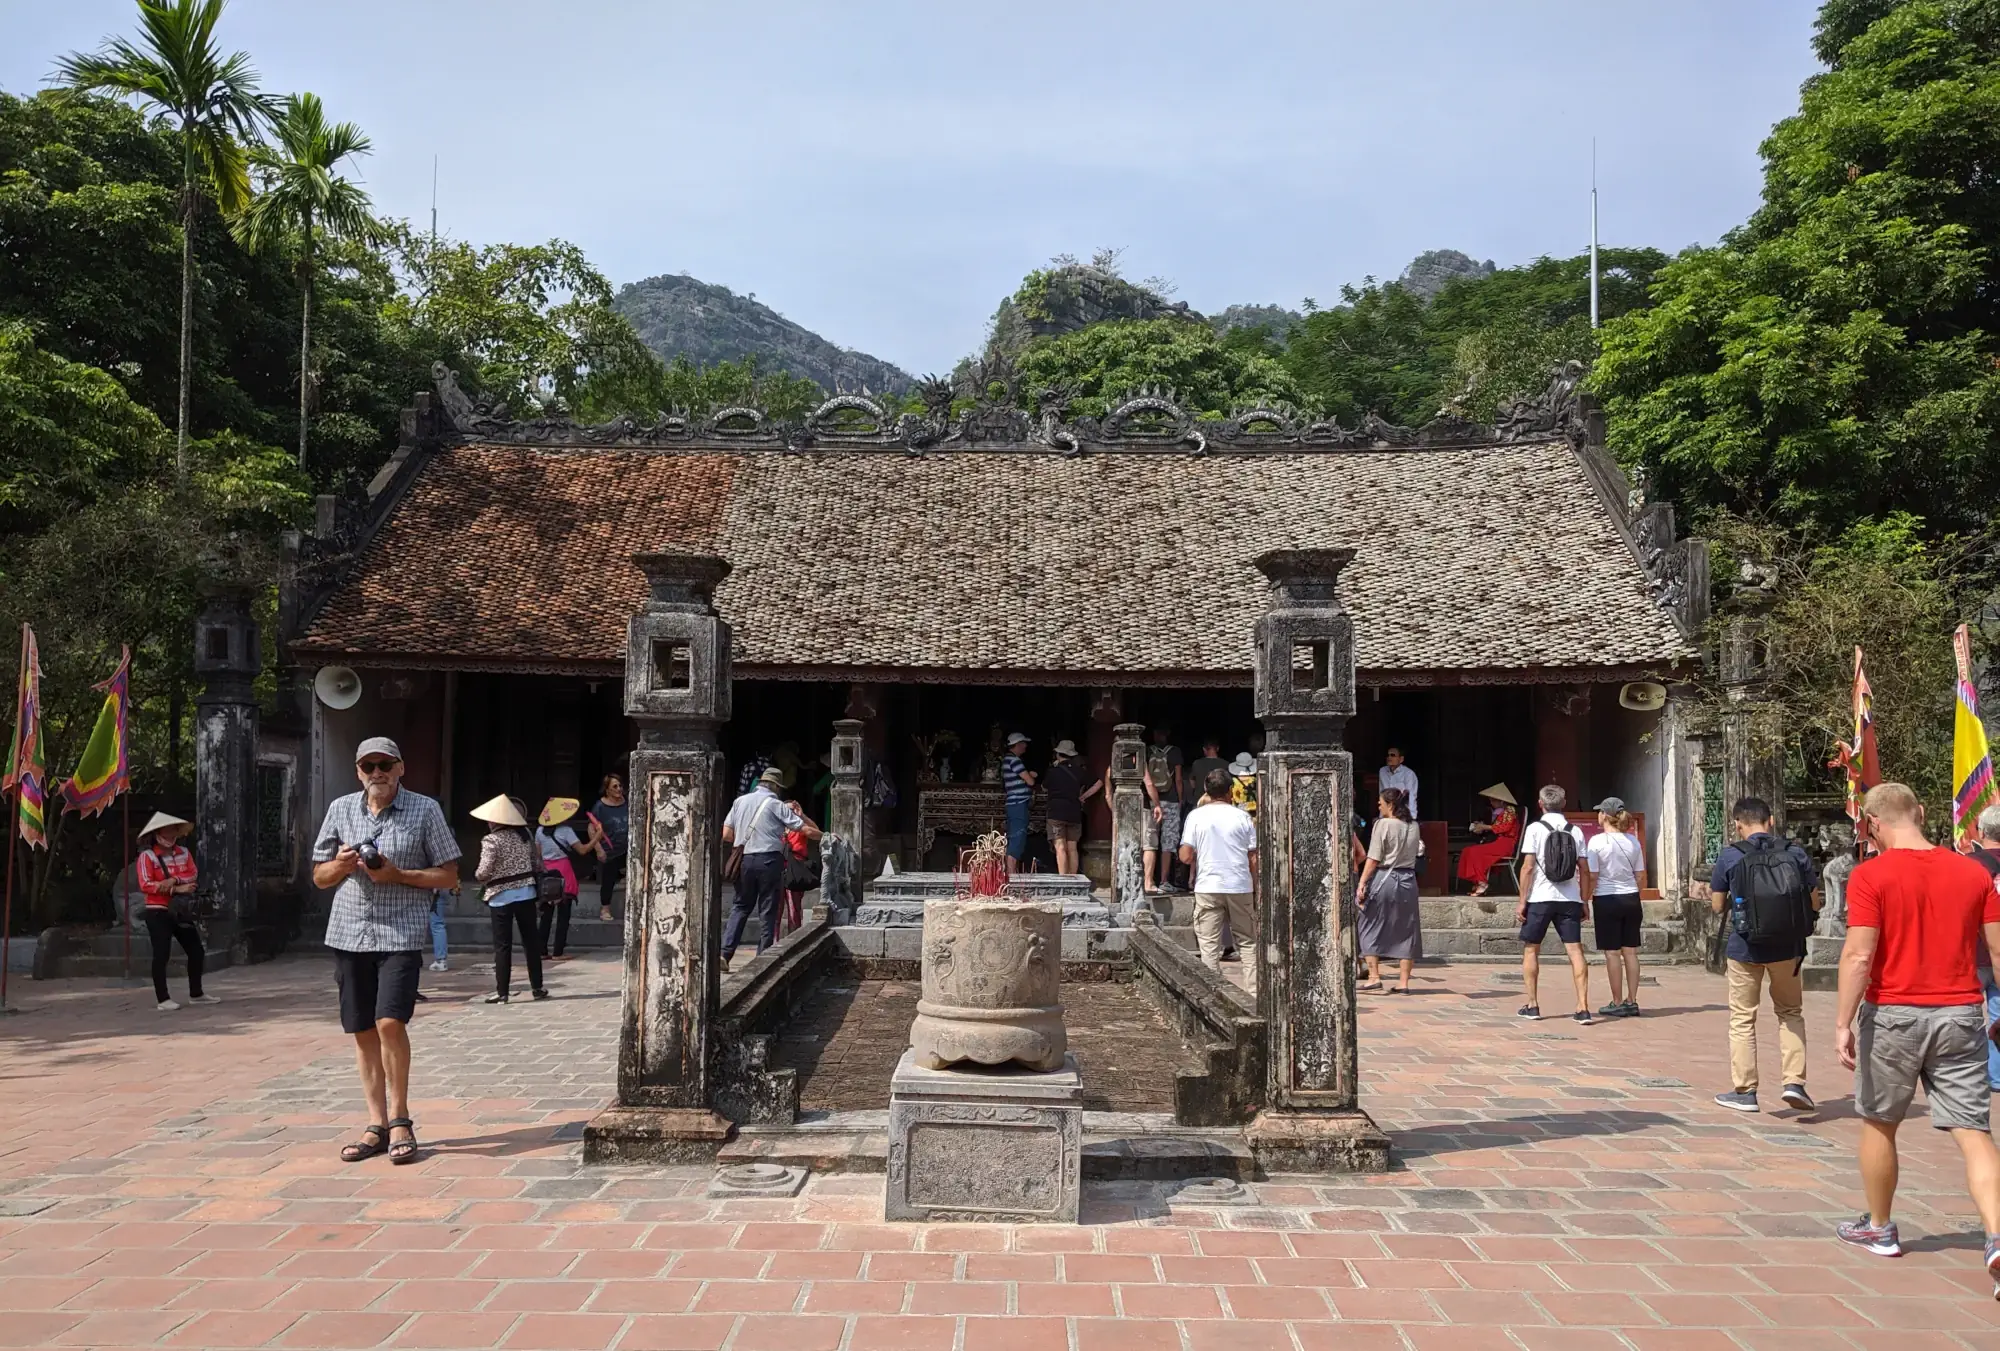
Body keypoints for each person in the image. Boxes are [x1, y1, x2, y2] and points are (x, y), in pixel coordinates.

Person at [1832, 782, 2000, 1292]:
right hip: (1960, 1012)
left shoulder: (1871, 875)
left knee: (1880, 1122)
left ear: (1873, 824)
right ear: (1922, 814)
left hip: (1894, 1014)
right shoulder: (1973, 872)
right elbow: (1996, 948)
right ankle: (1996, 1234)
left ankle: (1880, 1228)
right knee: (1974, 1131)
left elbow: (1859, 955)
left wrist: (1843, 1021)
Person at [311, 737, 460, 1167]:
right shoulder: (341, 809)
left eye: (384, 764)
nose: (377, 772)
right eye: (368, 765)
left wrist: (398, 874)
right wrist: (340, 865)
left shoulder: (425, 810)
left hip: (401, 932)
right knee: (361, 1030)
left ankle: (401, 1119)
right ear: (358, 771)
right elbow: (319, 877)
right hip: (348, 931)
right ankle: (375, 1124)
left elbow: (449, 875)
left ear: (400, 768)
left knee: (390, 1021)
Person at [1709, 797, 1820, 1113]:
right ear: (1770, 821)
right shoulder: (1794, 852)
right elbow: (1814, 902)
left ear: (1737, 824)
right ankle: (1794, 1083)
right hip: (1788, 947)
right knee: (1790, 1012)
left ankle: (1745, 1091)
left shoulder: (1731, 855)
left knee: (1743, 1017)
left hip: (1746, 947)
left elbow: (1717, 905)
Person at [721, 766, 820, 967]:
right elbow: (805, 830)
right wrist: (826, 836)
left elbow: (726, 835)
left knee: (740, 906)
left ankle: (725, 953)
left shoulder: (739, 802)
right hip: (769, 861)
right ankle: (762, 959)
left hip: (745, 861)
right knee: (768, 910)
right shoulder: (776, 805)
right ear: (775, 786)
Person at [1516, 784, 1592, 1024]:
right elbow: (1585, 869)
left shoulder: (1535, 829)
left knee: (1531, 948)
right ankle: (1582, 1007)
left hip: (1540, 897)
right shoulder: (1575, 831)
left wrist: (1522, 900)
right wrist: (1585, 900)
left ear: (1541, 804)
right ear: (1564, 803)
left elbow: (1528, 867)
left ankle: (1533, 1004)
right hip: (1569, 898)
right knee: (1575, 950)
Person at [1178, 767, 1257, 987]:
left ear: (1205, 789)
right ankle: (1253, 993)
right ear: (1231, 791)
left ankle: (1214, 992)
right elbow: (1253, 858)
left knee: (1209, 944)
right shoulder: (1243, 817)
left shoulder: (1196, 816)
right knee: (1248, 943)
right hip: (1239, 884)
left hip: (1208, 885)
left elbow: (1185, 856)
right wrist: (1256, 886)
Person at [134, 812, 217, 1012]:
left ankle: (196, 993)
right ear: (157, 833)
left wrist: (174, 881)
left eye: (174, 830)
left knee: (196, 950)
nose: (171, 834)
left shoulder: (184, 853)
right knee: (161, 954)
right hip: (157, 910)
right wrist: (175, 888)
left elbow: (192, 874)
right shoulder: (147, 857)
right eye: (167, 830)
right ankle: (163, 999)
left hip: (181, 909)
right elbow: (146, 884)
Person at [471, 794, 547, 1005]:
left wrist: (478, 875)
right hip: (526, 893)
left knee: (503, 946)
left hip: (500, 896)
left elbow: (483, 871)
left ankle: (502, 992)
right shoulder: (525, 836)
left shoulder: (491, 840)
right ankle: (537, 987)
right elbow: (535, 863)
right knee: (531, 942)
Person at [1356, 787, 1424, 993]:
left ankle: (1374, 975)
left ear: (1391, 805)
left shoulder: (1382, 824)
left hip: (1384, 878)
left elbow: (1374, 857)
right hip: (1408, 879)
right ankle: (1403, 982)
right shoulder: (1413, 826)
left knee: (1367, 922)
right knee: (1407, 927)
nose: (1378, 806)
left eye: (1381, 802)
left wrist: (1362, 882)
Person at [1588, 797, 1646, 1018]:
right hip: (1631, 897)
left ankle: (1617, 1000)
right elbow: (1640, 874)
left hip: (1607, 898)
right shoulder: (1633, 841)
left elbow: (1593, 875)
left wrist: (1586, 895)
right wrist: (1634, 893)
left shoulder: (1596, 842)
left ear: (1604, 815)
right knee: (1630, 951)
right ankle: (1632, 1000)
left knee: (1612, 953)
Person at [1959, 803, 2000, 1090]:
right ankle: (1996, 1076)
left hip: (1970, 953)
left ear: (1980, 832)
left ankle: (1967, 1075)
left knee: (1965, 1018)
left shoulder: (1967, 866)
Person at [535, 799, 600, 961]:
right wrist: (597, 837)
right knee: (563, 915)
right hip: (564, 874)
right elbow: (583, 850)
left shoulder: (539, 831)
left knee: (546, 915)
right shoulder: (566, 831)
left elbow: (538, 855)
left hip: (547, 873)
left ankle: (541, 950)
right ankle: (558, 952)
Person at [1042, 739, 1100, 877]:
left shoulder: (1052, 771)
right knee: (1072, 848)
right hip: (1074, 812)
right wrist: (1084, 796)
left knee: (1060, 847)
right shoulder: (1079, 771)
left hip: (1056, 812)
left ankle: (1063, 880)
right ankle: (1073, 880)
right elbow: (1098, 783)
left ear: (1058, 754)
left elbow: (1044, 786)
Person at [1457, 784, 1520, 895]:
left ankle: (1482, 882)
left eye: (1494, 800)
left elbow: (1505, 827)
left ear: (1501, 801)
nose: (1491, 803)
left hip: (1505, 843)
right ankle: (1477, 880)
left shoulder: (1510, 811)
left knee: (1474, 852)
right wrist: (1482, 826)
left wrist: (1485, 827)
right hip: (1498, 841)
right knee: (1467, 850)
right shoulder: (1499, 812)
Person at [1143, 726, 1184, 893]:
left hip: (1152, 801)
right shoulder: (1175, 752)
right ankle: (1164, 880)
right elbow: (1179, 779)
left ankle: (1147, 879)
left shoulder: (1145, 751)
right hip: (1171, 800)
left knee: (1149, 842)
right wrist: (1181, 800)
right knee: (1168, 842)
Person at [591, 773, 630, 923]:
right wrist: (598, 848)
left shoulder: (627, 803)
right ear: (607, 790)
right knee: (608, 879)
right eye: (615, 786)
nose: (619, 789)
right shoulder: (600, 806)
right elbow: (592, 828)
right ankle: (605, 909)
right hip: (610, 849)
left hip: (628, 848)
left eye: (620, 786)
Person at [1001, 733, 1036, 873]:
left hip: (1014, 803)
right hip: (1018, 804)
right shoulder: (1014, 761)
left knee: (1015, 836)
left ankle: (1011, 871)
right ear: (1017, 744)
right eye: (1023, 743)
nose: (1025, 746)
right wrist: (1031, 775)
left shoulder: (1007, 760)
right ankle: (1011, 874)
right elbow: (1030, 781)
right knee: (1017, 837)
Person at [1377, 746, 1419, 820]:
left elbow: (1411, 796)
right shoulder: (1382, 771)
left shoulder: (1408, 774)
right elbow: (1382, 793)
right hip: (1386, 814)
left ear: (1401, 759)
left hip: (1402, 815)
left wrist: (1411, 816)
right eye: (1388, 755)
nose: (1389, 757)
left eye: (1392, 755)